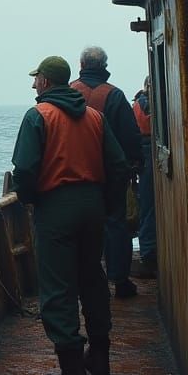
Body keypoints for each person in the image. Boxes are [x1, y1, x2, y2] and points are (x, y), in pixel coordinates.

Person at [12, 55, 130, 375]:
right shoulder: (94, 117)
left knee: (58, 287)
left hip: (56, 208)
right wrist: (107, 205)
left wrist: (32, 200)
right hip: (93, 207)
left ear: (47, 82)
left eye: (37, 80)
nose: (34, 85)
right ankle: (100, 358)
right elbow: (119, 165)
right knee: (92, 278)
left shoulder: (38, 116)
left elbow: (24, 171)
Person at [71, 46, 142, 298]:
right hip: (110, 174)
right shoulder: (114, 95)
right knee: (115, 224)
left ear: (81, 65)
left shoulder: (67, 92)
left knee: (77, 226)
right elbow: (130, 136)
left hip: (73, 175)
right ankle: (120, 280)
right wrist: (135, 165)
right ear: (104, 65)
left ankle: (79, 281)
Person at [132, 79, 157, 278]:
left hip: (141, 152)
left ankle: (147, 252)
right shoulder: (152, 105)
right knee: (149, 208)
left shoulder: (137, 104)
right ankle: (149, 253)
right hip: (150, 152)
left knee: (147, 207)